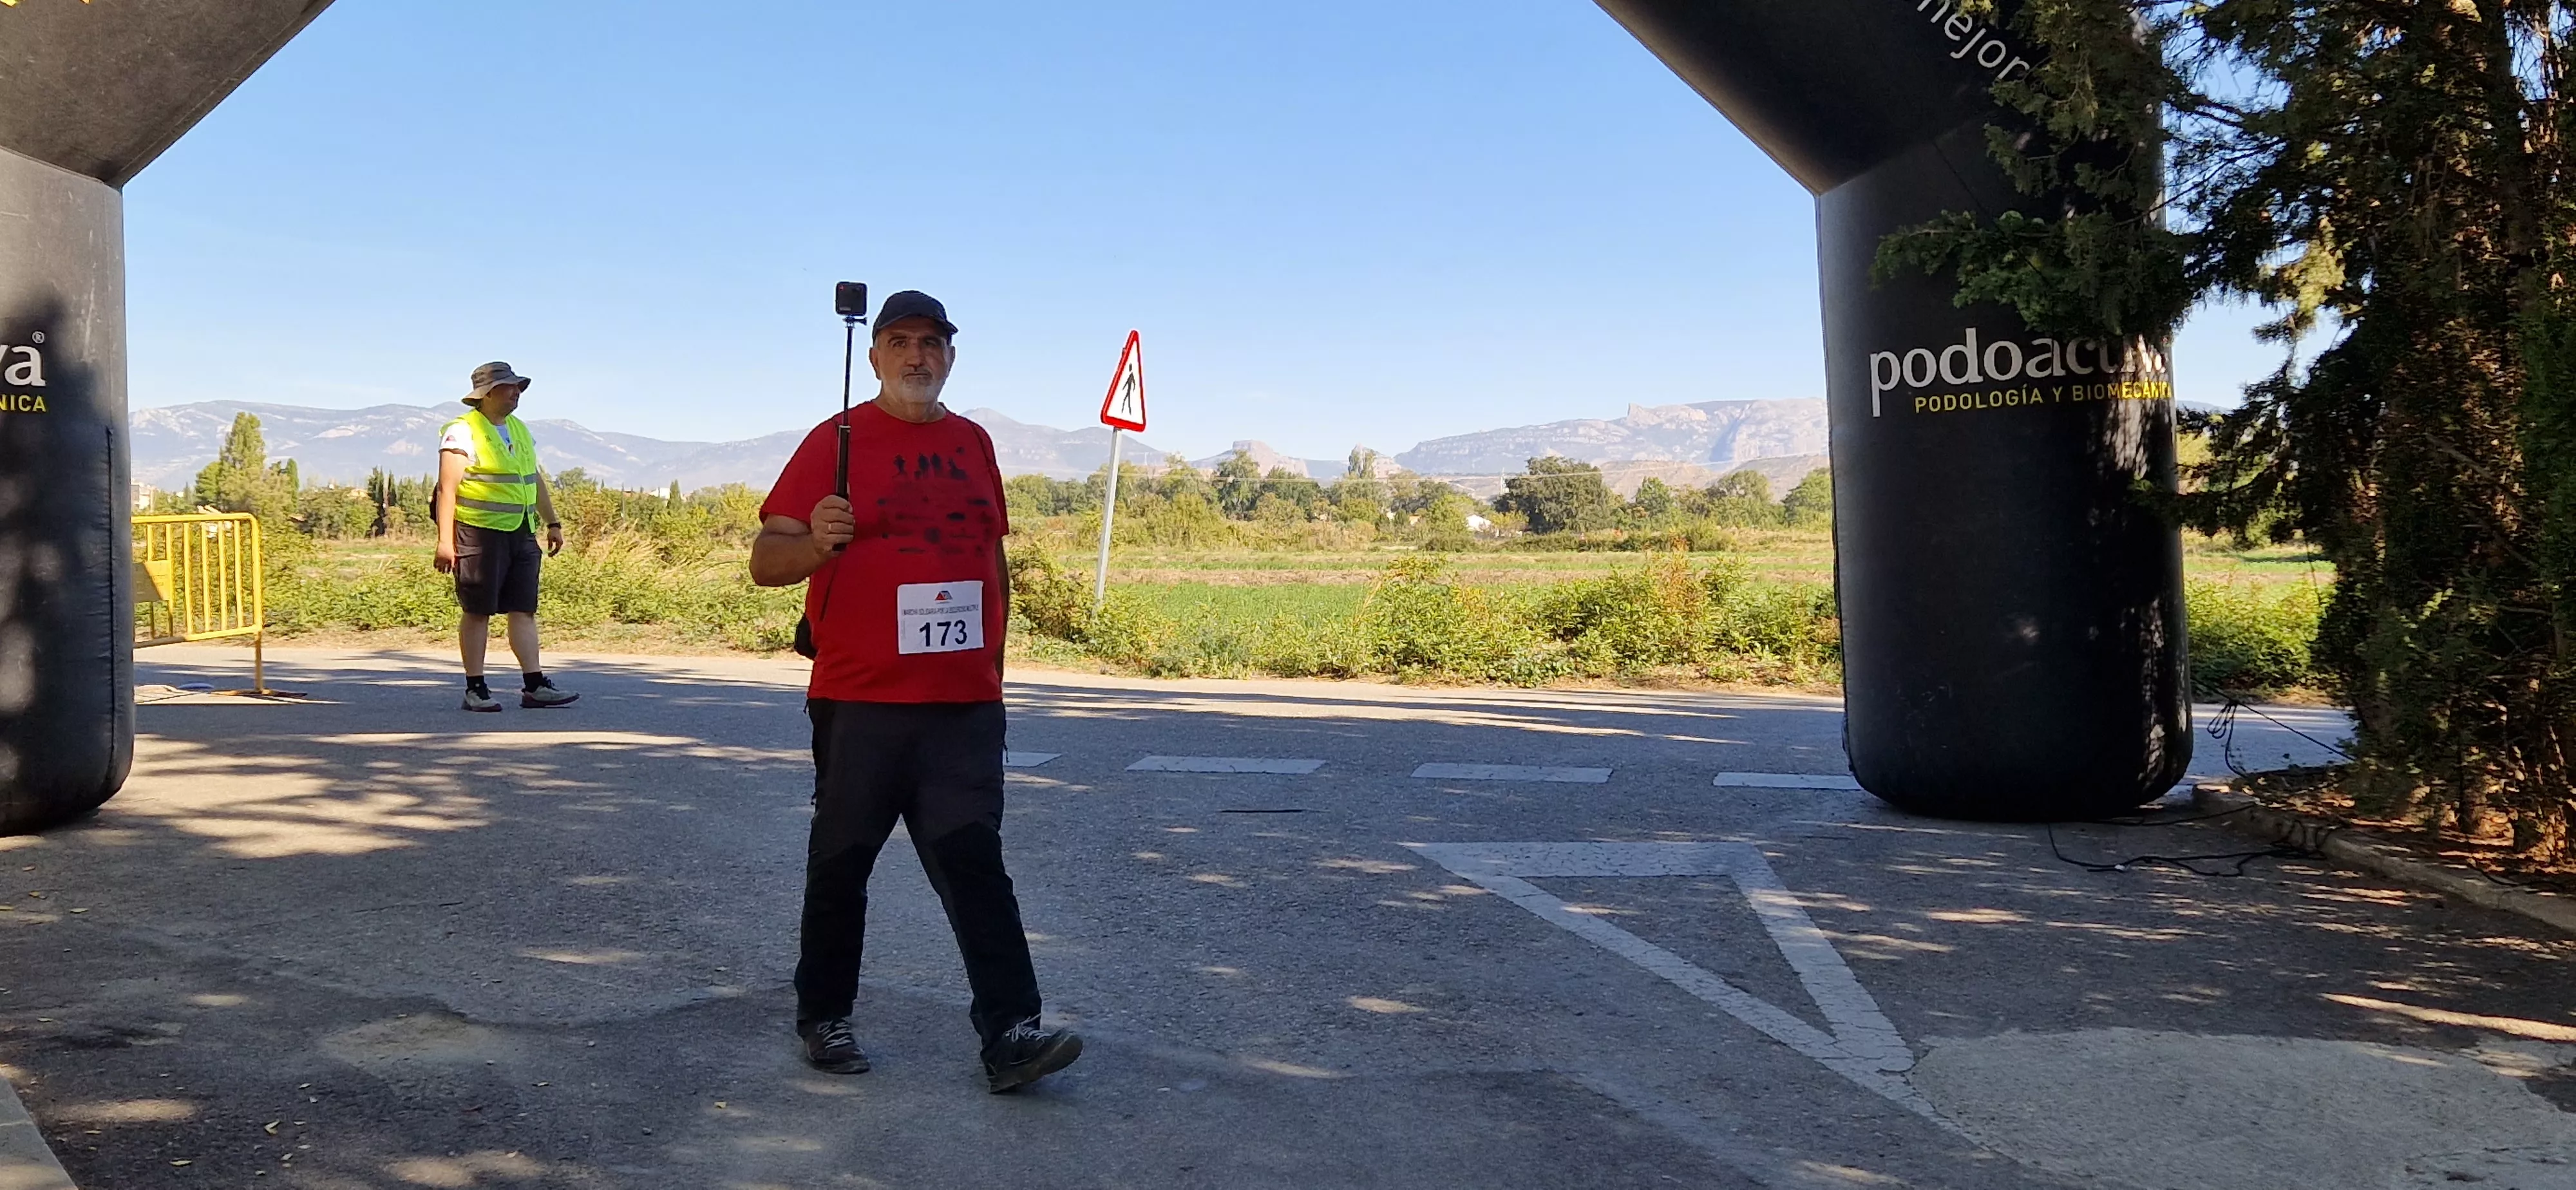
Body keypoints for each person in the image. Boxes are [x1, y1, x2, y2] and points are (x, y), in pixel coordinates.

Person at [749, 290, 1081, 1093]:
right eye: (899, 342)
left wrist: (996, 667)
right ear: (874, 357)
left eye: (931, 343)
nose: (916, 356)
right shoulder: (835, 440)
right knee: (842, 863)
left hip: (963, 704)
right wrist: (817, 545)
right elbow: (766, 560)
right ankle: (824, 1017)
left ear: (951, 357)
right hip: (861, 698)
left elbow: (991, 557)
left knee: (976, 867)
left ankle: (1012, 1034)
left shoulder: (974, 442)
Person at [434, 362, 578, 713]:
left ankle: (535, 685)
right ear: (486, 394)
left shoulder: (520, 429)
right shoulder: (462, 431)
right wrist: (445, 542)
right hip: (479, 533)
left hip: (522, 531)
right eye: (508, 387)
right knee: (478, 611)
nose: (516, 393)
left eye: (518, 387)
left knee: (524, 609)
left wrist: (553, 522)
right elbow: (447, 490)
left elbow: (533, 478)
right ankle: (476, 689)